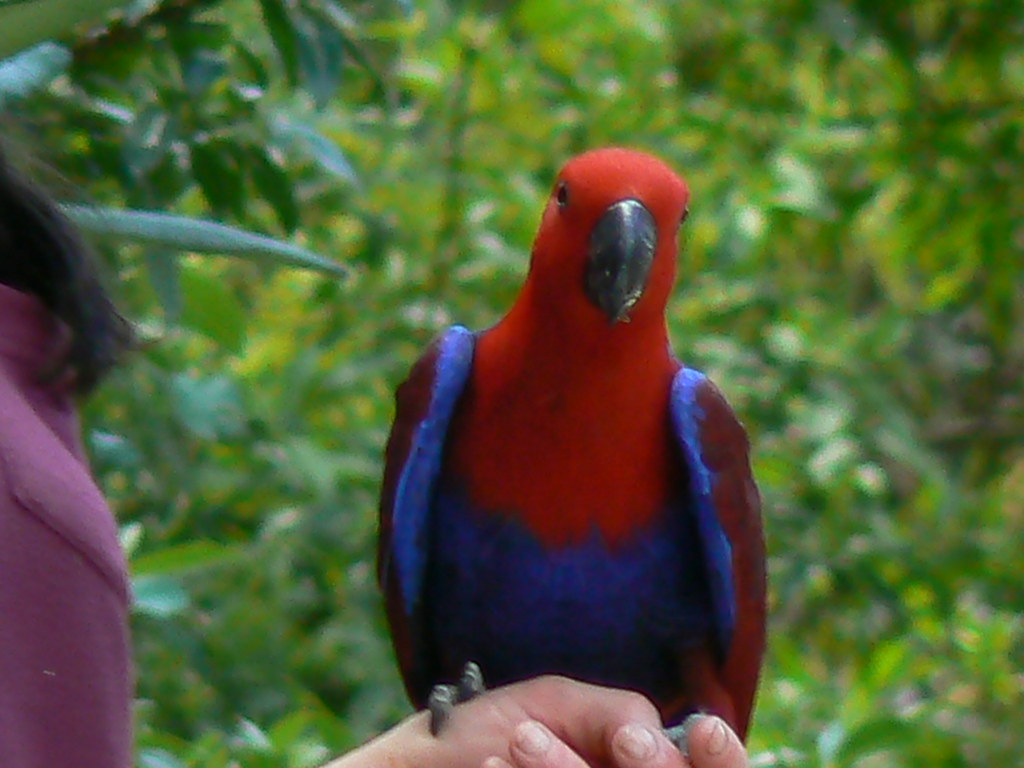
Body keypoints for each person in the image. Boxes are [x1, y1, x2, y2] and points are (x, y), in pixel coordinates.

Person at [0, 148, 751, 768]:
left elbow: (723, 666)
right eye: (569, 201)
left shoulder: (692, 419)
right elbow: (420, 622)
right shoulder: (455, 383)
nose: (624, 236)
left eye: (666, 222)